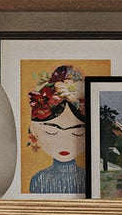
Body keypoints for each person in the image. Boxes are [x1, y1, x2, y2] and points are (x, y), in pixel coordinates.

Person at [25, 65, 88, 194]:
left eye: (77, 133)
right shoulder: (38, 180)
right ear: (35, 131)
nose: (64, 141)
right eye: (52, 131)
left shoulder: (89, 180)